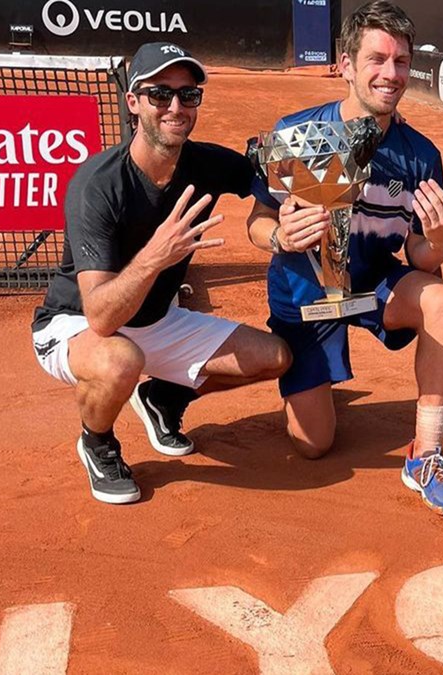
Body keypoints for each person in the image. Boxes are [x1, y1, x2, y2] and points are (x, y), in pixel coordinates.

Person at [31, 42, 291, 504]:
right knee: (120, 359)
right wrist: (155, 255)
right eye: (159, 94)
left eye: (188, 95)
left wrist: (274, 217)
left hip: (154, 320)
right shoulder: (97, 185)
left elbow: (266, 176)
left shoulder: (205, 162)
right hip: (77, 324)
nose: (175, 107)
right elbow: (102, 318)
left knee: (274, 357)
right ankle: (97, 442)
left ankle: (163, 399)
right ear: (133, 103)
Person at [246, 1, 443, 518]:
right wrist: (279, 234)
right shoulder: (298, 134)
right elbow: (255, 222)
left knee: (441, 297)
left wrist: (439, 241)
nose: (390, 74)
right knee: (313, 444)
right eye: (376, 59)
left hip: (371, 285)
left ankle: (428, 454)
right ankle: (316, 384)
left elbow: (420, 256)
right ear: (345, 64)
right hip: (306, 297)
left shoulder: (421, 156)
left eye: (401, 62)